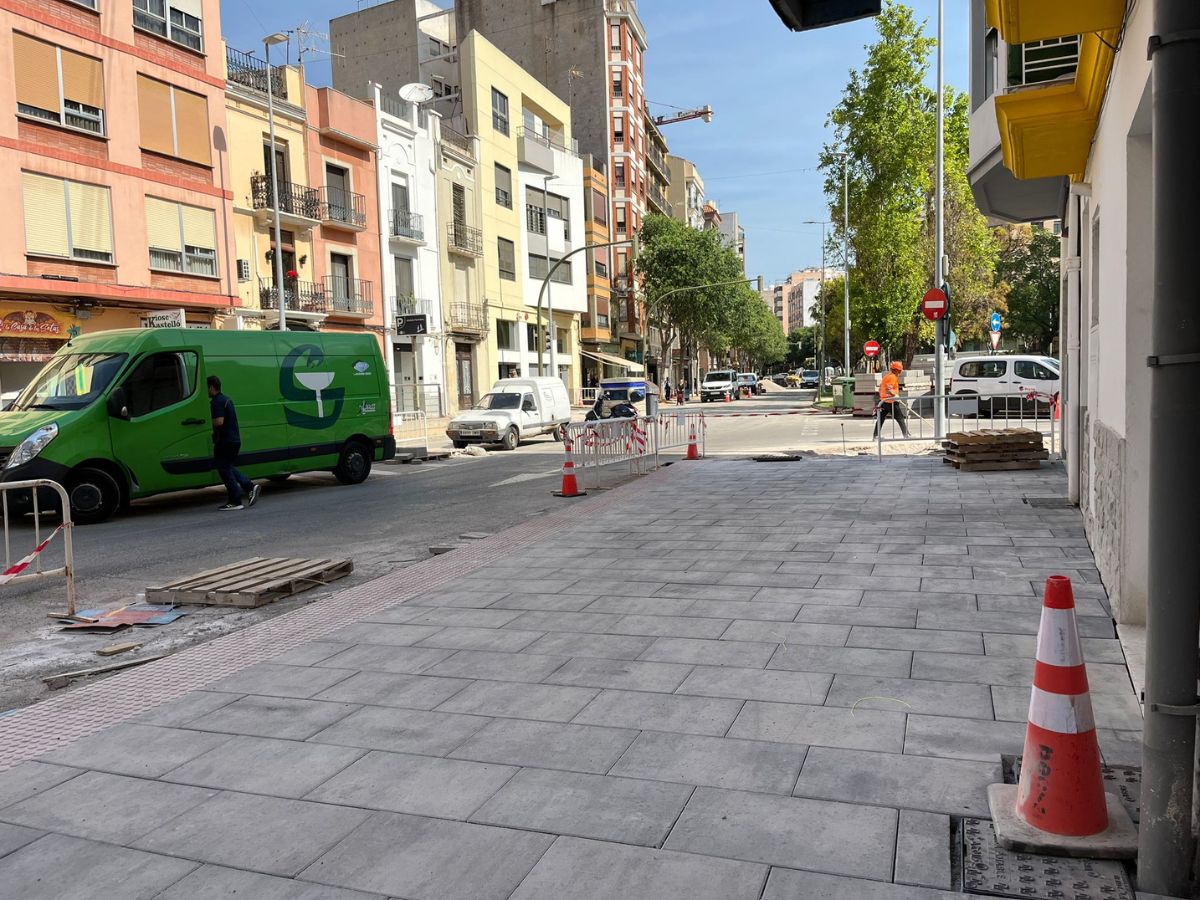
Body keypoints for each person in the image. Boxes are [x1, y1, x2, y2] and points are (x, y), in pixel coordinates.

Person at [208, 375, 260, 511]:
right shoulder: (226, 399)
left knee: (224, 468)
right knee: (227, 466)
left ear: (211, 387)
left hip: (225, 441)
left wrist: (207, 422)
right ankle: (249, 486)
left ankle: (235, 500)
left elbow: (219, 421)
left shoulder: (216, 401)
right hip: (233, 440)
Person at [874, 360, 910, 439]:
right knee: (900, 418)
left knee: (880, 419)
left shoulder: (888, 376)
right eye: (900, 370)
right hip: (890, 401)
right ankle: (906, 435)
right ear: (897, 370)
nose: (900, 372)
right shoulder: (892, 377)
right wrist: (895, 395)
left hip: (884, 401)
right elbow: (888, 389)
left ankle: (876, 436)